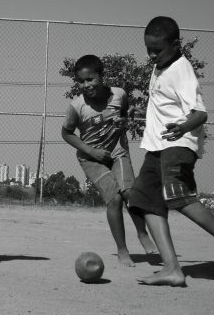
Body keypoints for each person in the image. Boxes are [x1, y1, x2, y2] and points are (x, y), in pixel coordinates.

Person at [128, 16, 214, 289]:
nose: (152, 54)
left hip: (178, 145)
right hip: (158, 144)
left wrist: (183, 128)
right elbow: (166, 104)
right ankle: (172, 269)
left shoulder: (181, 68)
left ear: (175, 44)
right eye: (148, 49)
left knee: (177, 197)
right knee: (143, 199)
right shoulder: (161, 67)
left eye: (157, 49)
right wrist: (143, 112)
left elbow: (200, 112)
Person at [62, 54, 158, 267]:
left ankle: (143, 234)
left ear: (101, 76)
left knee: (130, 193)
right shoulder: (77, 107)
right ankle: (122, 250)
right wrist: (91, 151)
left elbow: (123, 112)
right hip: (91, 158)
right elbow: (67, 133)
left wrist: (123, 120)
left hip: (117, 153)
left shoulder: (119, 95)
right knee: (114, 199)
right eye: (81, 81)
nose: (86, 85)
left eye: (90, 79)